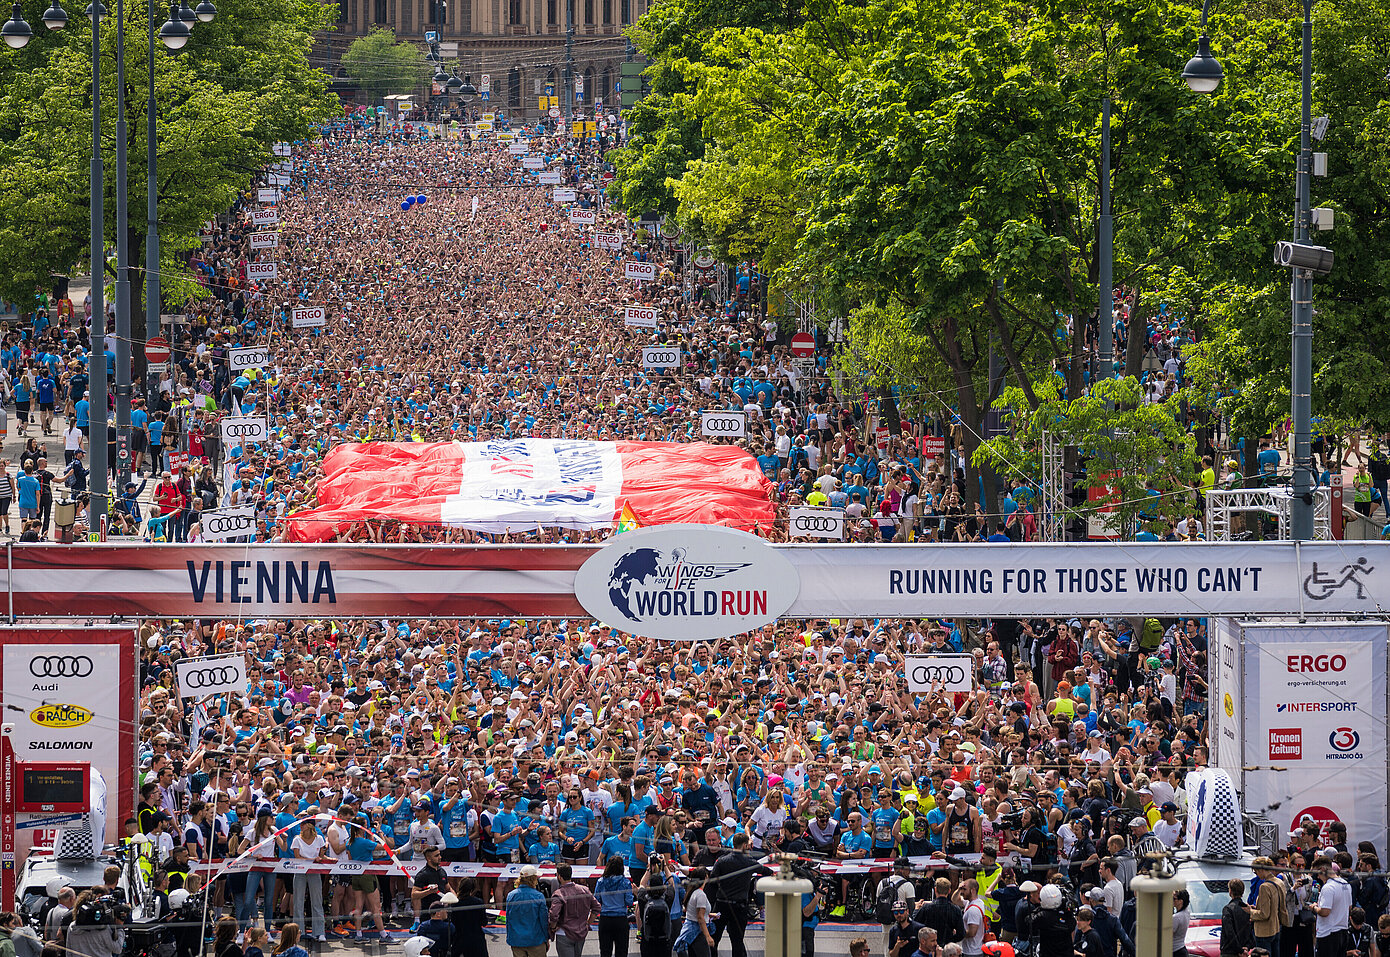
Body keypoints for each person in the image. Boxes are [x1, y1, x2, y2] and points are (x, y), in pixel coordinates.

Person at [709, 833, 772, 957]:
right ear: (744, 845)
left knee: (714, 938)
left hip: (722, 904)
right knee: (737, 941)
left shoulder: (722, 861)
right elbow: (765, 870)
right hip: (739, 906)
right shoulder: (748, 861)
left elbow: (712, 880)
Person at [552, 862, 602, 957]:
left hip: (564, 933)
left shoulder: (558, 894)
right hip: (581, 933)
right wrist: (588, 923)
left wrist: (553, 927)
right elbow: (597, 907)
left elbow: (554, 915)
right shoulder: (585, 890)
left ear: (559, 876)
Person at [505, 865, 549, 957]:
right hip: (536, 940)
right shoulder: (538, 896)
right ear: (533, 879)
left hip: (517, 940)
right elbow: (543, 920)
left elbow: (509, 919)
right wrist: (546, 938)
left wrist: (510, 938)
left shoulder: (511, 896)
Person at [596, 855, 635, 957]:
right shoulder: (625, 882)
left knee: (605, 951)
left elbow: (597, 900)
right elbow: (629, 902)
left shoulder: (601, 882)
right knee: (621, 951)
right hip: (620, 919)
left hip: (605, 919)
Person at [1221, 879, 1253, 957]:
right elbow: (1251, 931)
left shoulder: (1228, 909)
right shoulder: (1247, 909)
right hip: (1245, 950)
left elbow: (1230, 932)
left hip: (1229, 952)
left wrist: (1239, 950)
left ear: (1230, 891)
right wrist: (1246, 948)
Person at [1173, 888, 1191, 957]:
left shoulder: (1176, 917)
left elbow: (1167, 935)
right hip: (1181, 948)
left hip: (1175, 951)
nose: (1172, 901)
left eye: (1174, 899)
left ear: (1180, 901)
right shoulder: (1187, 912)